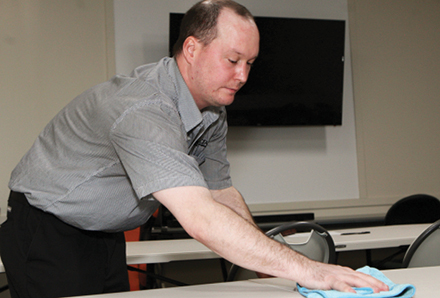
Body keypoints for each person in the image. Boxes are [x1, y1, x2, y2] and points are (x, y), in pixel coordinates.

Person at [0, 1, 388, 297]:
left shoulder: (212, 111)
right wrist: (311, 270)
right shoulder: (145, 108)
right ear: (191, 48)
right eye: (233, 60)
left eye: (250, 63)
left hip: (103, 233)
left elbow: (220, 193)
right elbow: (200, 217)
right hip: (47, 229)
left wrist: (275, 268)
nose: (243, 76)